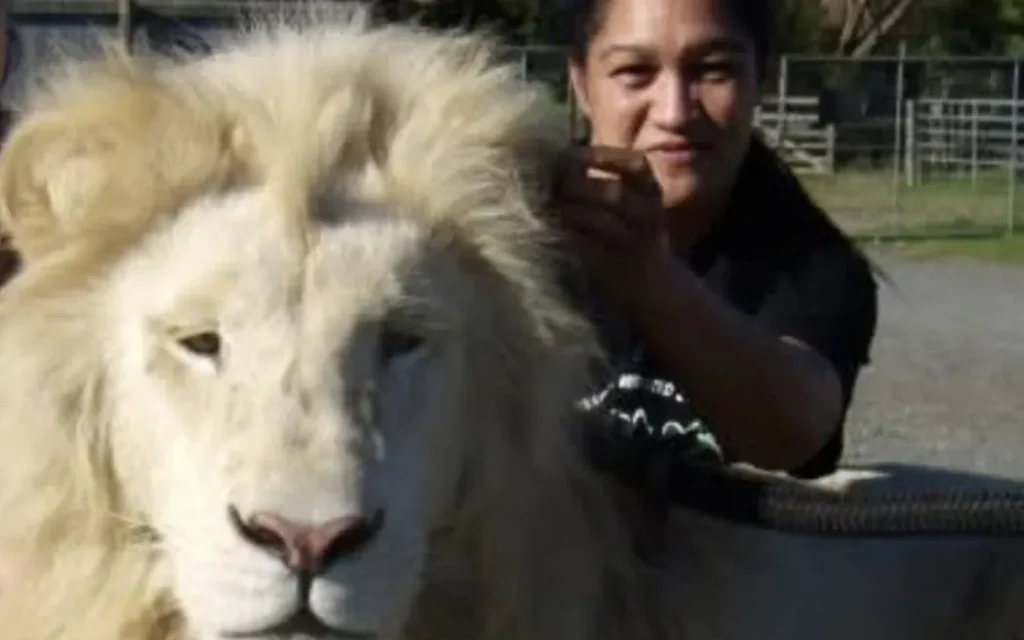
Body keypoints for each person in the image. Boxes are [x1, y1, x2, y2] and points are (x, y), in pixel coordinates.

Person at [547, 0, 879, 486]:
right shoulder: (513, 239)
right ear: (581, 83)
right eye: (635, 72)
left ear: (758, 79)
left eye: (715, 69)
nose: (676, 111)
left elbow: (793, 433)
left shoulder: (813, 266)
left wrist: (650, 281)